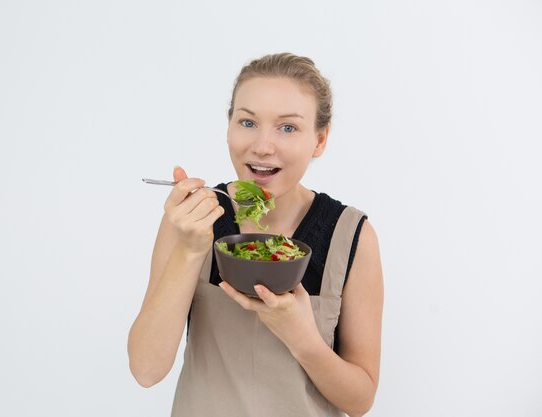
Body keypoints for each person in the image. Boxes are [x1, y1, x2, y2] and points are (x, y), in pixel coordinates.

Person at [127, 52, 384, 417]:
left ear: (320, 140)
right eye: (247, 122)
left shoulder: (352, 235)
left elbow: (360, 401)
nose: (262, 145)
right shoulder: (191, 219)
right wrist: (189, 250)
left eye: (288, 127)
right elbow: (146, 369)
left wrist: (300, 336)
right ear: (229, 124)